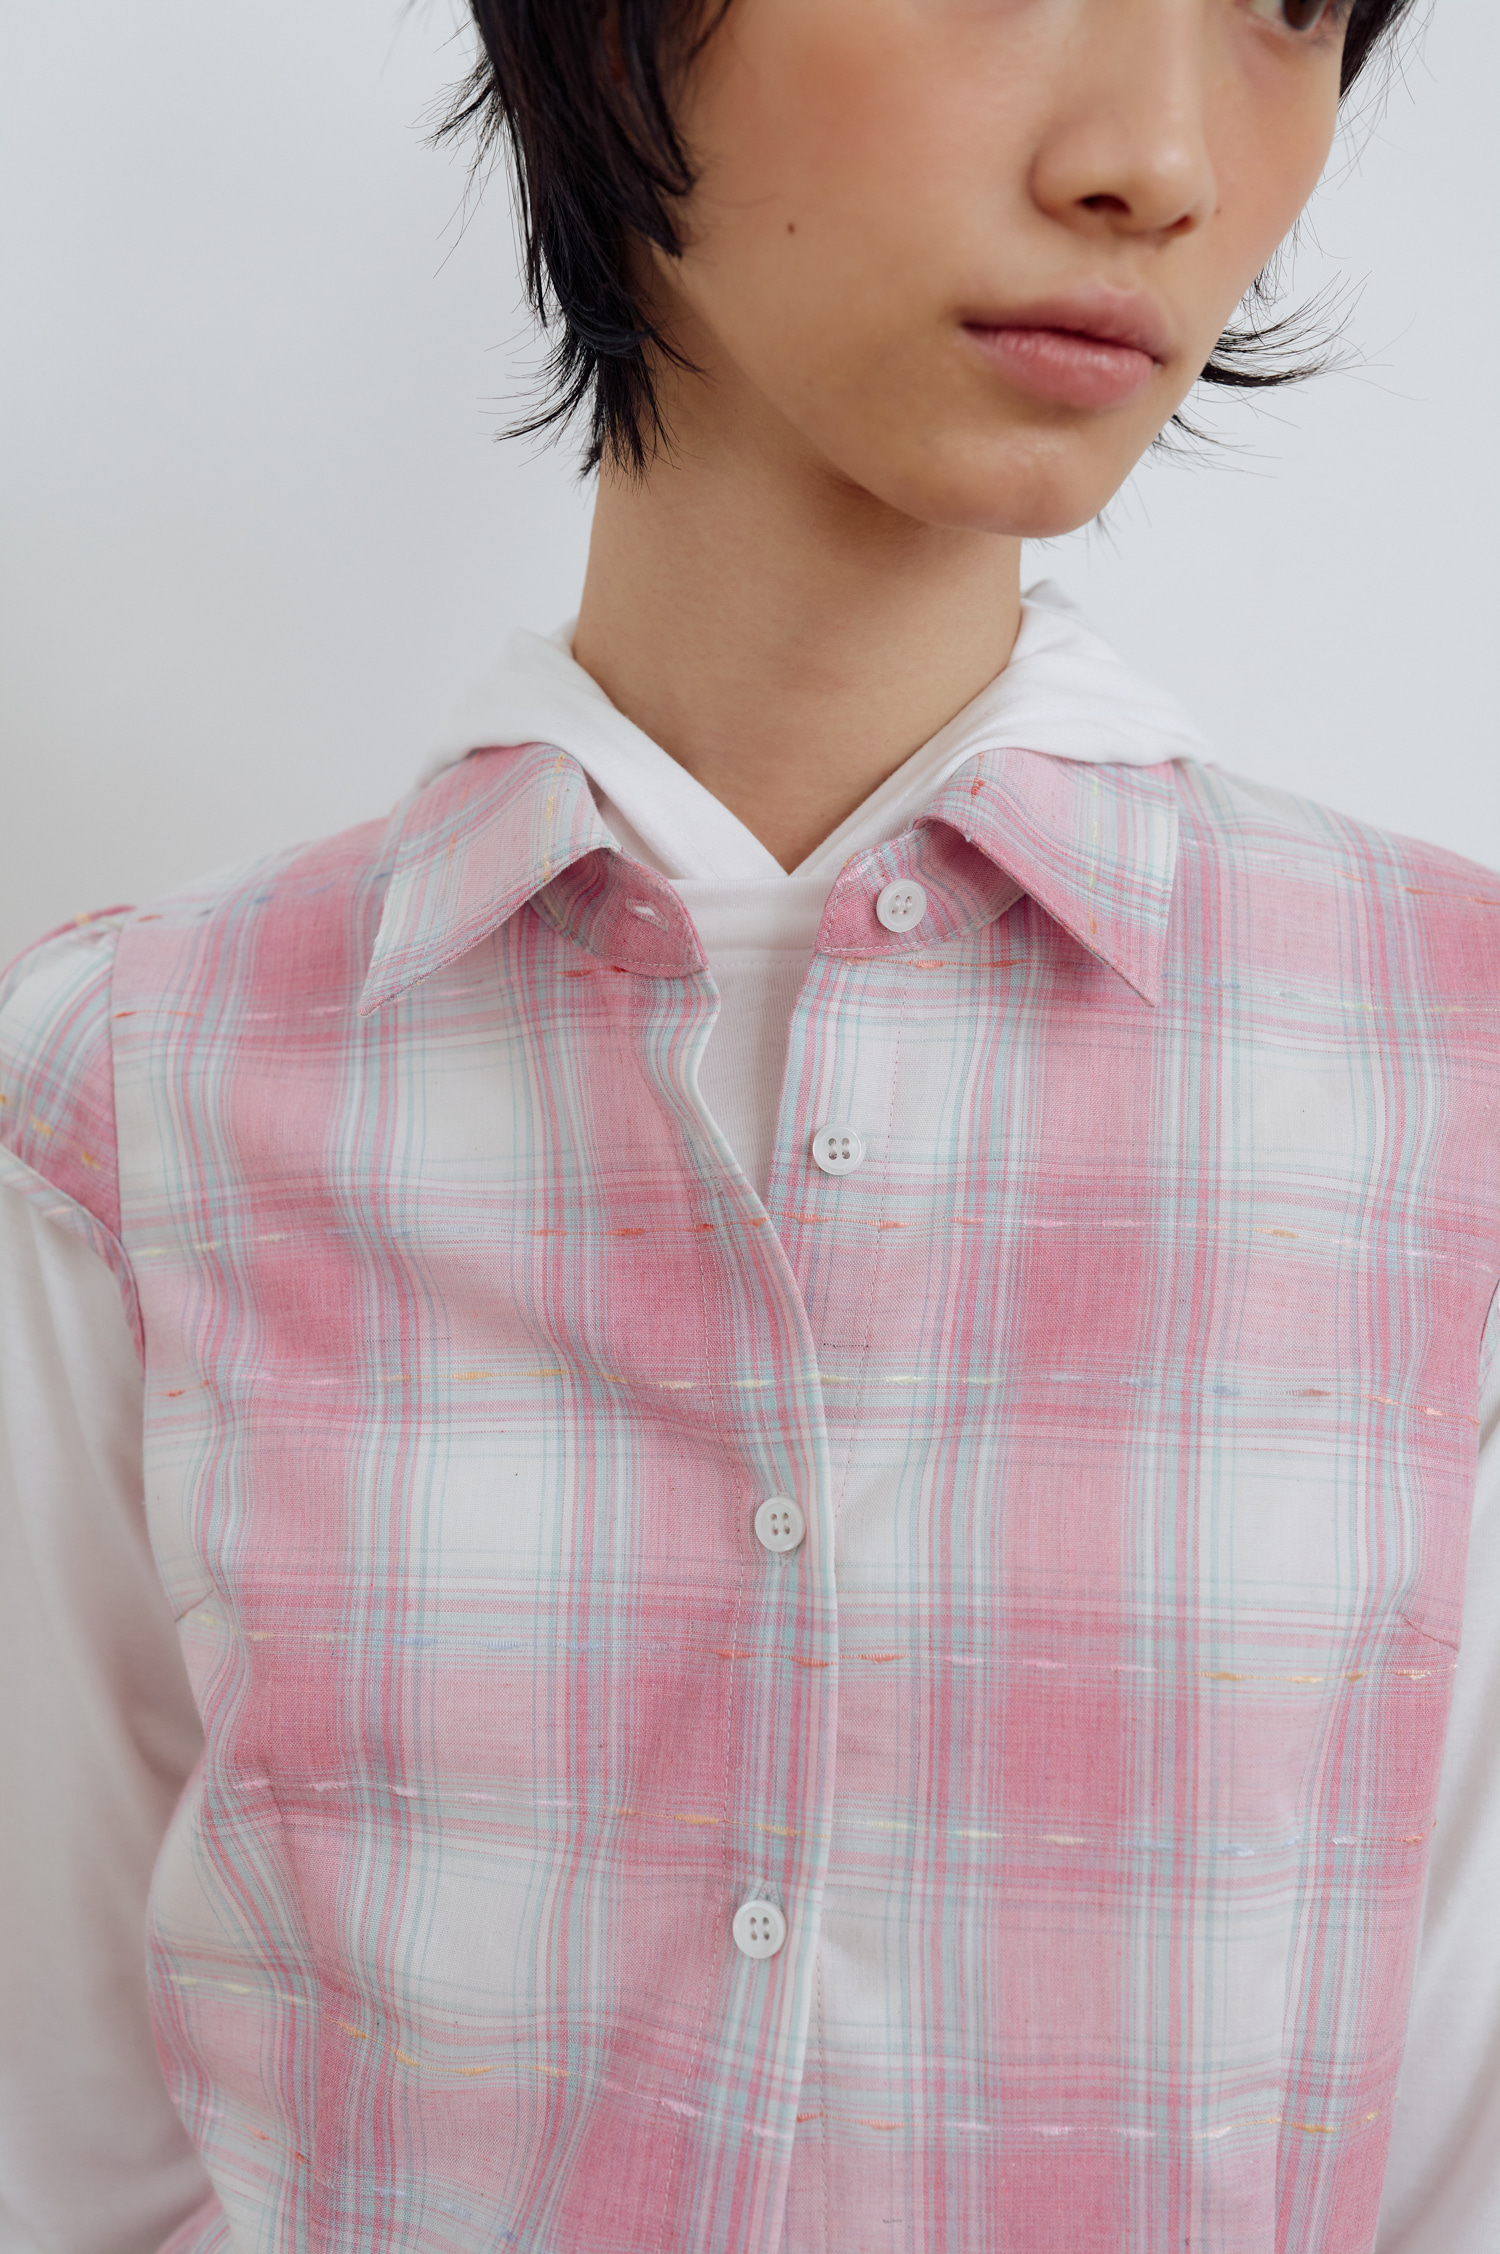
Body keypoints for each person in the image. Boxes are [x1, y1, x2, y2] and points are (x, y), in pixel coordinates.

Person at [1, 0, 1494, 2249]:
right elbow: (59, 2164)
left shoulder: (1447, 1082)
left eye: (1287, 8)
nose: (1164, 159)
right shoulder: (136, 1093)